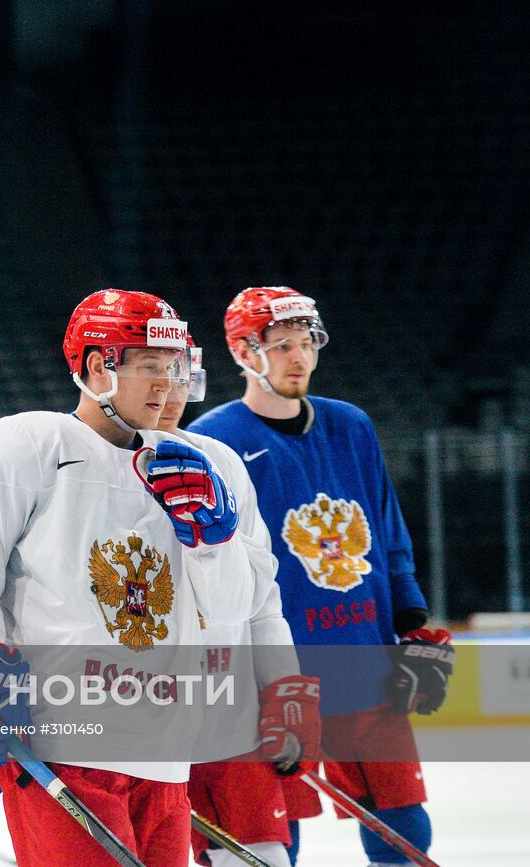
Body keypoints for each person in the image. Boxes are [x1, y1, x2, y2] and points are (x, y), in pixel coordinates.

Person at [0, 289, 298, 867]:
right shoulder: (25, 446)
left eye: (174, 368)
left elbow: (232, 613)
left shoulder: (198, 465)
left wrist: (213, 541)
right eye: (150, 367)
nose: (166, 385)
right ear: (97, 365)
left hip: (166, 748)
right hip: (63, 738)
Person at [190, 287, 453, 867]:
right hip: (278, 668)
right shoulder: (214, 439)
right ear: (242, 352)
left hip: (364, 654)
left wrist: (410, 618)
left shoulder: (350, 425)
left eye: (306, 342)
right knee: (277, 827)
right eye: (281, 345)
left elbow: (386, 525)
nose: (298, 357)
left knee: (403, 819)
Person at [155, 341, 313, 867]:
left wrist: (284, 691)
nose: (171, 393)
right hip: (136, 710)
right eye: (158, 375)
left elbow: (263, 599)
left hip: (228, 708)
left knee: (260, 853)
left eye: (182, 377)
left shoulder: (220, 461)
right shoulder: (83, 464)